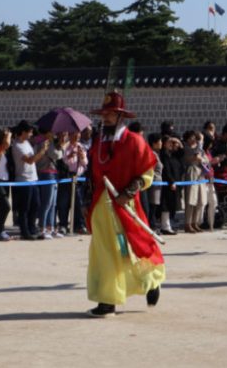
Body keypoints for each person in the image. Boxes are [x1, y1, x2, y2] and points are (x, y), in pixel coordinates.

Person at [85, 91, 163, 318]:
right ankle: (107, 301)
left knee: (133, 249)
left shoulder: (134, 141)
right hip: (101, 206)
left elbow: (147, 172)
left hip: (125, 207)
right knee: (103, 254)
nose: (105, 118)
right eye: (104, 114)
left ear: (121, 117)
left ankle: (151, 281)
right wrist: (86, 200)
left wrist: (128, 193)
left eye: (110, 114)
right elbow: (92, 174)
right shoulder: (98, 142)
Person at [11, 121, 46, 240]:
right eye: (29, 132)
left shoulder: (26, 143)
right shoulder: (17, 145)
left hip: (33, 179)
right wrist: (42, 151)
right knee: (24, 208)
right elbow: (30, 160)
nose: (31, 134)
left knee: (36, 205)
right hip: (23, 180)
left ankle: (32, 228)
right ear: (23, 132)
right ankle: (25, 231)